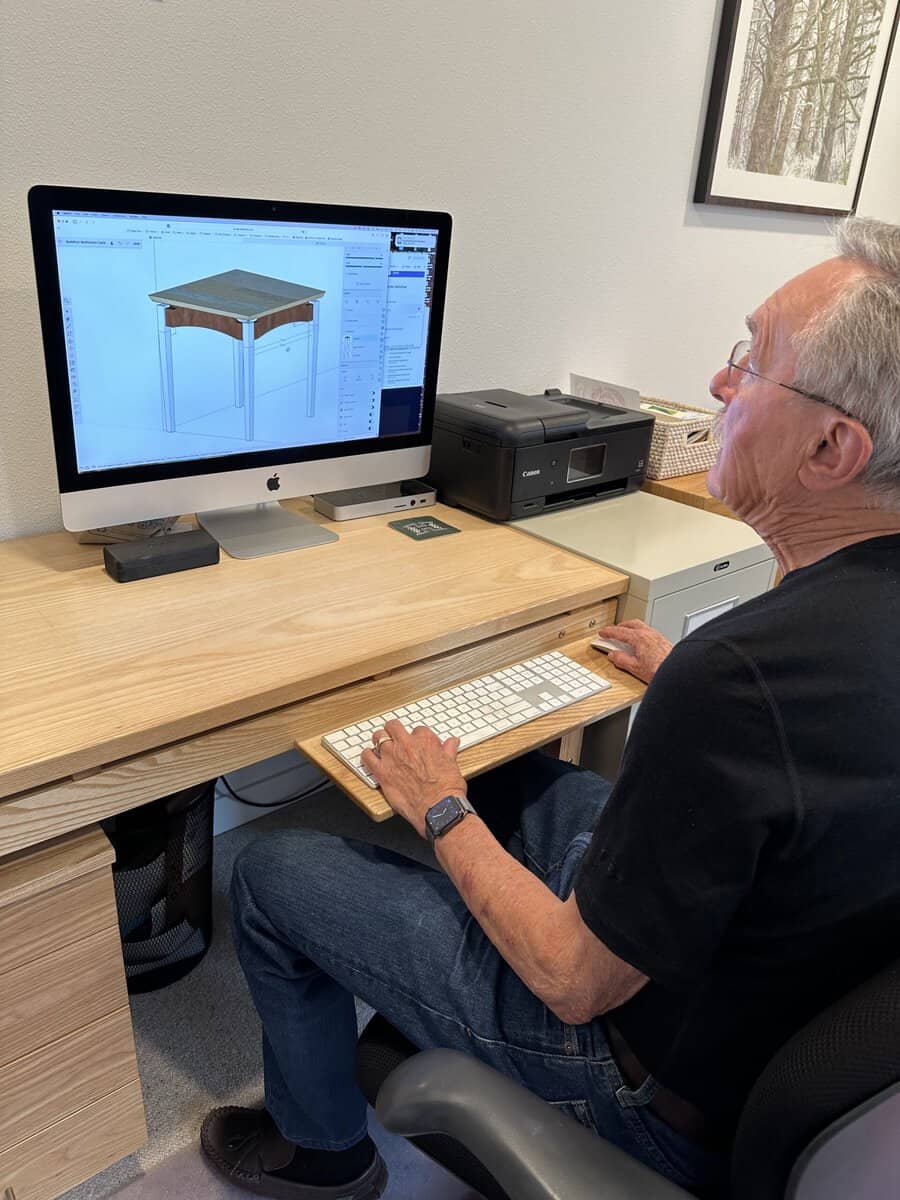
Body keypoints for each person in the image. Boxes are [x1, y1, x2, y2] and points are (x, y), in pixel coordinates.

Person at [200, 216, 900, 1200]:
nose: (718, 386)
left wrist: (439, 809)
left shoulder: (742, 679)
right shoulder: (807, 645)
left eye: (753, 365)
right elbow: (805, 755)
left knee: (278, 869)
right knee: (509, 768)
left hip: (645, 1079)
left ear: (833, 446)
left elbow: (576, 979)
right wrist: (685, 678)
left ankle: (322, 1154)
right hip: (751, 1004)